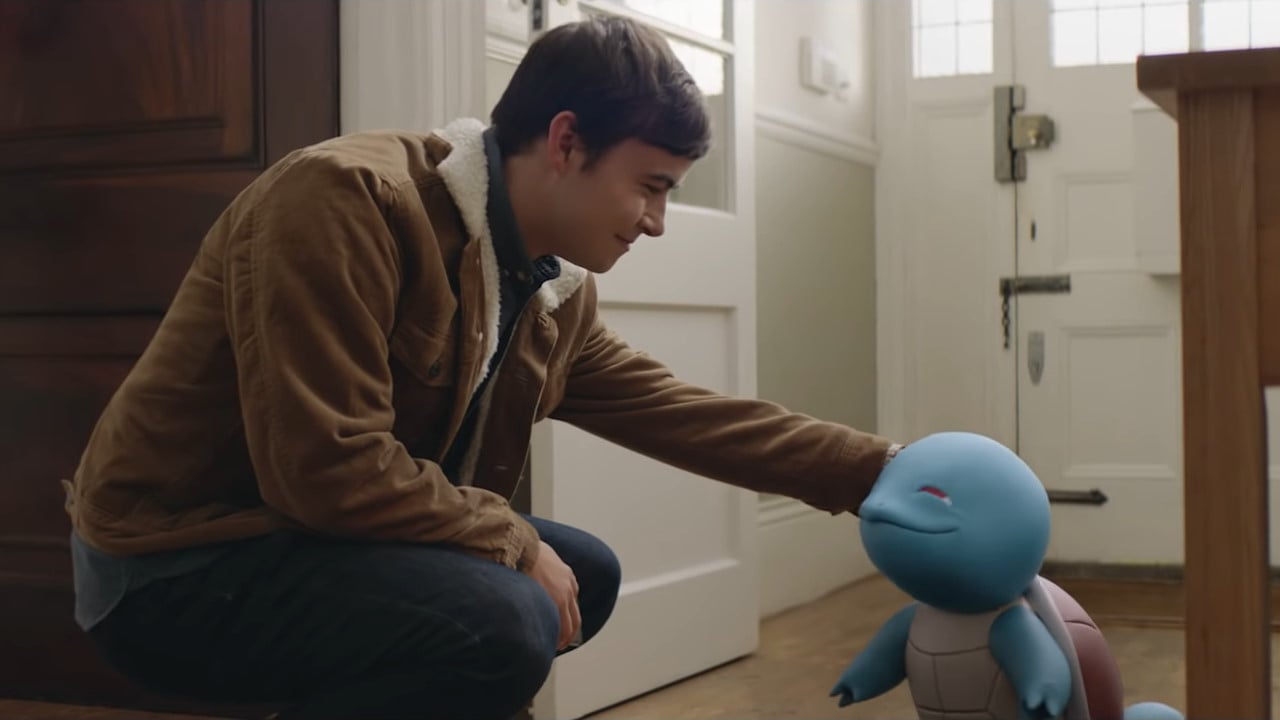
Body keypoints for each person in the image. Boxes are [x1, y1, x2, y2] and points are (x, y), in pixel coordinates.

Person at [65, 14, 903, 720]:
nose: (656, 221)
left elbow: (683, 412)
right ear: (567, 142)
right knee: (501, 618)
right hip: (177, 565)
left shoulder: (549, 288)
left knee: (584, 577)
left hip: (305, 540)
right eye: (650, 186)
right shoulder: (344, 200)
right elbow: (324, 467)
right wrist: (508, 537)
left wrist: (885, 473)